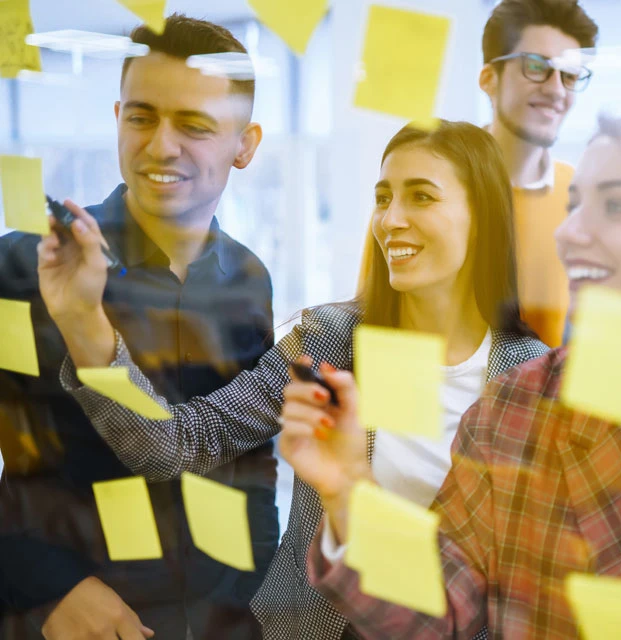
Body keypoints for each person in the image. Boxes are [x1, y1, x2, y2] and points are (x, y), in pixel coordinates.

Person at [37, 119, 547, 639]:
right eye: (383, 197)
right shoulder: (331, 342)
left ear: (482, 217)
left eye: (421, 197)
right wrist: (86, 327)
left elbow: (523, 581)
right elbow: (182, 443)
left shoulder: (531, 379)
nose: (391, 219)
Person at [282, 111, 621, 638]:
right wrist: (348, 492)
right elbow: (440, 607)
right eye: (573, 206)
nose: (569, 232)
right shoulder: (513, 407)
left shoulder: (511, 365)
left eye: (615, 205)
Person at [0, 14, 278, 640]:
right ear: (117, 117)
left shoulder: (249, 280)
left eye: (195, 126)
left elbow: (248, 467)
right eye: (143, 117)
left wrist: (248, 608)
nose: (161, 145)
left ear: (245, 143)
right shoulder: (24, 266)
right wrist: (46, 588)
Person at [356, 0, 598, 349]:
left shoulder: (584, 200)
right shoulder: (422, 188)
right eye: (536, 67)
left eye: (570, 75)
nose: (556, 89)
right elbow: (377, 319)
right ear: (488, 78)